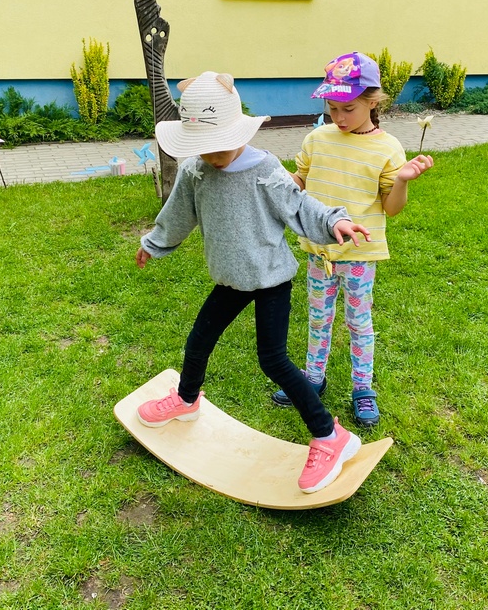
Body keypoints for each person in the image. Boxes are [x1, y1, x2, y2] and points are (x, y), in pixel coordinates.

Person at [134, 70, 372, 495]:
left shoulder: (265, 171)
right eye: (204, 148)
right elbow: (178, 215)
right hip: (230, 280)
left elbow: (301, 206)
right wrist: (154, 244)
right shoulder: (195, 172)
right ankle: (186, 400)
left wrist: (334, 222)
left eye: (219, 146)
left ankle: (330, 436)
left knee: (273, 361)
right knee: (198, 341)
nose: (213, 156)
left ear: (238, 132)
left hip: (271, 281)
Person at [269, 52, 434, 427]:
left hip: (359, 254)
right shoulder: (318, 138)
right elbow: (300, 182)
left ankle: (363, 389)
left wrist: (402, 180)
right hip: (320, 251)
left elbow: (392, 208)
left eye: (348, 108)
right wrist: (273, 177)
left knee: (359, 324)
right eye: (332, 108)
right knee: (317, 319)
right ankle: (312, 379)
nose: (339, 117)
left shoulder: (387, 148)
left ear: (373, 102)